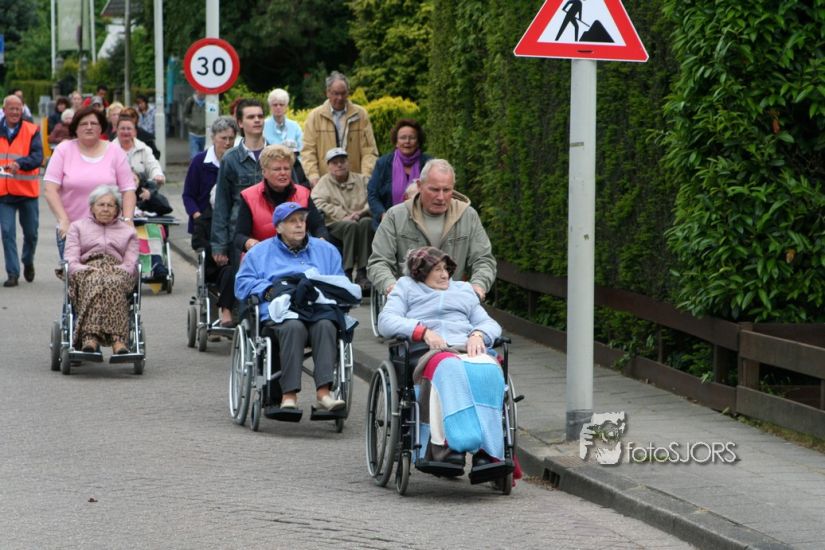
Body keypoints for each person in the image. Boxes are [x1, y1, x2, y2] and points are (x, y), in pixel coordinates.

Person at [377, 246, 506, 470]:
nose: (445, 275)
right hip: (428, 351)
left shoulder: (464, 290)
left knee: (489, 370)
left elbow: (489, 323)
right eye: (437, 270)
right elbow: (386, 321)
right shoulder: (406, 287)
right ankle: (447, 446)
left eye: (446, 269)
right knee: (449, 368)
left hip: (465, 348)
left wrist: (478, 334)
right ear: (420, 272)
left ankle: (487, 451)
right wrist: (422, 331)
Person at [235, 202, 352, 412]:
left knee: (327, 325)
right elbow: (242, 283)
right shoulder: (260, 252)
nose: (299, 225)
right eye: (292, 221)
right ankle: (288, 395)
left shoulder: (327, 250)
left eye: (302, 220)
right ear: (278, 227)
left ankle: (324, 393)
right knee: (293, 327)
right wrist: (268, 290)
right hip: (282, 313)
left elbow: (340, 282)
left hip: (317, 309)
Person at [367, 158, 496, 300]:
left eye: (446, 190)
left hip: (453, 301)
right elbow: (379, 261)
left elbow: (483, 260)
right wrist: (391, 287)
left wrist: (478, 286)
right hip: (409, 301)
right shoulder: (395, 216)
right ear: (419, 186)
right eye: (434, 189)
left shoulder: (468, 216)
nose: (441, 197)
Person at [43, 105, 137, 259]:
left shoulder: (115, 151)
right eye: (83, 124)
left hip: (109, 233)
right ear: (75, 128)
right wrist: (63, 220)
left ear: (101, 128)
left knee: (110, 274)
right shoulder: (63, 150)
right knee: (74, 273)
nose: (88, 127)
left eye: (93, 123)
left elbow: (128, 190)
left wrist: (127, 220)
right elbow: (50, 189)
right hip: (72, 231)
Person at [64, 185, 138, 355]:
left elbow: (130, 262)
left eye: (110, 205)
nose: (105, 209)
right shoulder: (77, 227)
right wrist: (87, 269)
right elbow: (71, 259)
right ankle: (90, 338)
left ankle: (118, 340)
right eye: (101, 204)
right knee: (95, 282)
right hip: (87, 268)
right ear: (92, 207)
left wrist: (115, 270)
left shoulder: (128, 232)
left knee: (113, 283)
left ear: (117, 210)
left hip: (117, 270)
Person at [182, 116, 239, 327]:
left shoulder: (236, 161)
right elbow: (188, 195)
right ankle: (215, 315)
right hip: (205, 222)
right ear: (213, 137)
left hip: (229, 222)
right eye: (223, 138)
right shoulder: (200, 162)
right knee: (211, 266)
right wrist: (198, 216)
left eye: (231, 138)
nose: (227, 143)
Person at [234, 144, 327, 259]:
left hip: (299, 257)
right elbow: (239, 236)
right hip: (264, 258)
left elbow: (318, 226)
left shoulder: (303, 193)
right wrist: (251, 243)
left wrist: (321, 240)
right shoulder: (249, 196)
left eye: (286, 168)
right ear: (264, 172)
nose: (283, 173)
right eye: (277, 169)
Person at [210, 98, 266, 268]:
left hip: (273, 236)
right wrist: (219, 245)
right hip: (240, 237)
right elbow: (222, 204)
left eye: (260, 116)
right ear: (240, 123)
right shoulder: (230, 159)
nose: (257, 120)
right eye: (251, 117)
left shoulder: (277, 154)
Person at [301, 71, 378, 186]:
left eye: (343, 93)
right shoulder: (314, 116)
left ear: (348, 93)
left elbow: (369, 150)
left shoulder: (360, 114)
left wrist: (366, 176)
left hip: (355, 182)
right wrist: (313, 176)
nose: (340, 98)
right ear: (327, 93)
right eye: (336, 93)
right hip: (325, 182)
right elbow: (308, 151)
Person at [311, 147, 373, 290]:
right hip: (335, 223)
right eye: (335, 163)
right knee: (351, 226)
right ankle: (347, 271)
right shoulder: (323, 183)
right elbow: (317, 201)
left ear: (348, 163)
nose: (339, 165)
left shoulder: (362, 179)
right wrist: (341, 215)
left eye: (342, 161)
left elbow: (373, 197)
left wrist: (361, 212)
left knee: (367, 223)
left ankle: (362, 272)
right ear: (328, 166)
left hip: (361, 218)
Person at [0, 94, 43, 287]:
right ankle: (13, 273)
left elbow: (38, 157)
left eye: (18, 108)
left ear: (22, 109)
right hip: (4, 193)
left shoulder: (32, 130)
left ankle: (27, 260)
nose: (15, 112)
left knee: (31, 233)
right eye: (11, 108)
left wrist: (20, 163)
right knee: (7, 232)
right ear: (4, 110)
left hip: (27, 192)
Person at [367, 119, 431, 229]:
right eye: (402, 138)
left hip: (424, 224)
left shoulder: (429, 164)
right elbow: (372, 194)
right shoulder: (383, 164)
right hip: (388, 224)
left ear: (418, 142)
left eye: (412, 137)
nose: (407, 141)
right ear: (396, 142)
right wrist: (383, 215)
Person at [113, 115, 170, 216]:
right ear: (117, 131)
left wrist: (157, 175)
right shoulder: (109, 150)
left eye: (129, 129)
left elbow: (153, 165)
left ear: (135, 132)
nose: (126, 131)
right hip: (116, 196)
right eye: (122, 128)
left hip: (140, 195)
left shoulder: (144, 149)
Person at [183, 92, 207, 158]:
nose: (201, 93)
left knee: (204, 157)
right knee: (194, 156)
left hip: (205, 134)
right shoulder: (191, 101)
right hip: (193, 134)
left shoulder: (209, 101)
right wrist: (191, 123)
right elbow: (185, 115)